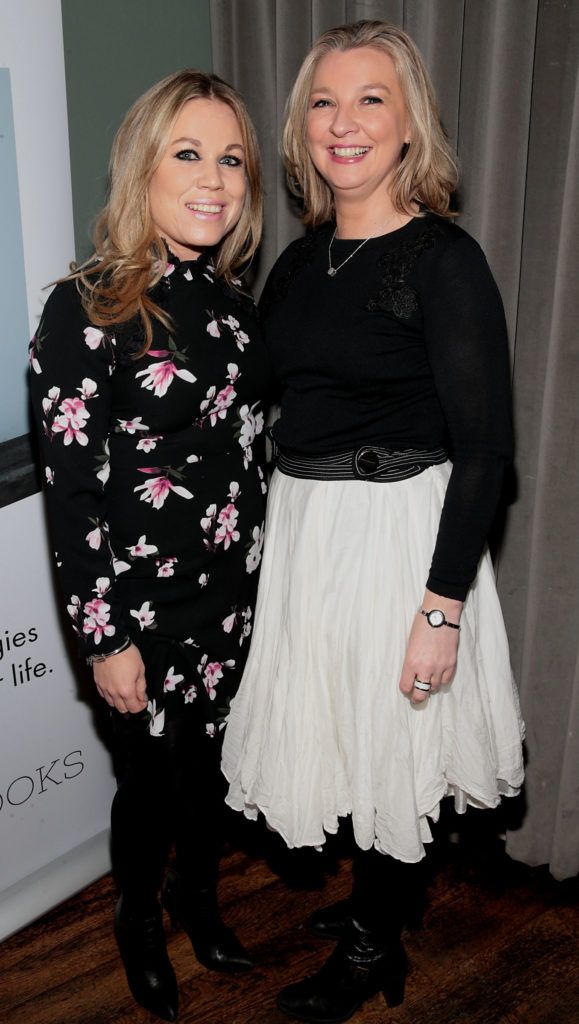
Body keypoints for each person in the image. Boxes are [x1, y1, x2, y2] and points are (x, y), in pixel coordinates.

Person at [221, 19, 525, 1023]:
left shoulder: (444, 259)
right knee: (345, 728)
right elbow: (257, 395)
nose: (342, 123)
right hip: (309, 533)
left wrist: (441, 608)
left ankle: (373, 942)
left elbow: (485, 451)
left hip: (402, 539)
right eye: (323, 101)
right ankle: (375, 897)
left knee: (397, 740)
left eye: (370, 100)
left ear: (409, 128)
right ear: (302, 128)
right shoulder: (300, 266)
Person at [30, 70, 268, 1022]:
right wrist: (105, 637)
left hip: (231, 598)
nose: (213, 178)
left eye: (232, 159)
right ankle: (138, 919)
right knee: (149, 785)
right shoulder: (85, 308)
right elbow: (72, 494)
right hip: (137, 612)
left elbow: (247, 460)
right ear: (143, 165)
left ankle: (196, 899)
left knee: (209, 772)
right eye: (188, 153)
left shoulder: (237, 311)